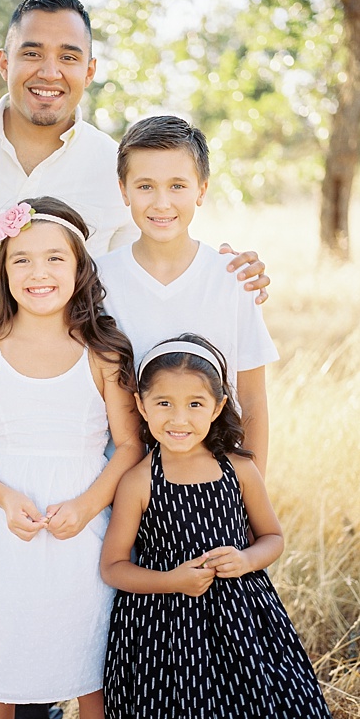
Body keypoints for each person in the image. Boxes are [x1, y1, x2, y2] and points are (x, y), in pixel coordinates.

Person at [0, 0, 270, 719]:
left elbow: (160, 234)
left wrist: (235, 267)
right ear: (3, 60)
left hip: (59, 415)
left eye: (67, 55)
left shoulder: (107, 162)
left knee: (53, 575)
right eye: (31, 51)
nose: (48, 70)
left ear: (90, 69)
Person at [0, 198, 143, 719]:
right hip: (3, 527)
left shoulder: (104, 352)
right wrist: (3, 497)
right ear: (2, 271)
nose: (38, 273)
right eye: (21, 260)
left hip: (84, 523)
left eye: (54, 259)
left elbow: (127, 447)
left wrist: (89, 504)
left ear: (80, 268)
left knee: (92, 656)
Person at [100, 334, 341, 719]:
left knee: (256, 709)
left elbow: (272, 537)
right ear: (141, 405)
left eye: (195, 404)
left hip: (242, 617)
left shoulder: (239, 469)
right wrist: (170, 581)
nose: (180, 419)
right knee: (178, 717)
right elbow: (113, 566)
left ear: (219, 406)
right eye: (164, 404)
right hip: (163, 627)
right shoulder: (139, 481)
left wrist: (248, 559)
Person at [97, 115, 278, 475]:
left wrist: (248, 491)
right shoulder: (99, 280)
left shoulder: (232, 278)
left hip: (212, 478)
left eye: (177, 185)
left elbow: (253, 398)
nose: (161, 203)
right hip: (122, 478)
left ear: (201, 189)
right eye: (145, 186)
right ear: (123, 190)